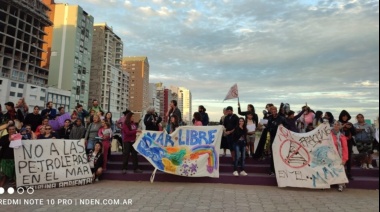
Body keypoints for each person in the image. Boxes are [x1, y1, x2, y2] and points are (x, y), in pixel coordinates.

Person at [267, 106, 288, 175]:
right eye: (271, 110)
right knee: (273, 154)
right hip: (273, 138)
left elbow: (287, 126)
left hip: (281, 139)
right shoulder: (269, 118)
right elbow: (268, 128)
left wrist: (283, 126)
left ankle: (281, 169)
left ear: (276, 110)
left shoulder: (282, 118)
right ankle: (272, 170)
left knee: (281, 154)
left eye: (274, 110)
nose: (273, 111)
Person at [331, 121, 349, 192]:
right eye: (334, 124)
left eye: (338, 125)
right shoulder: (328, 135)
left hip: (339, 155)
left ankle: (340, 184)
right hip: (330, 155)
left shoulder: (342, 136)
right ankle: (327, 183)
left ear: (340, 126)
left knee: (340, 170)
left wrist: (345, 159)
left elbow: (345, 148)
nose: (336, 126)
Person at [338, 110, 356, 180]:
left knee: (348, 158)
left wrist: (350, 128)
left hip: (348, 142)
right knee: (340, 158)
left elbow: (354, 133)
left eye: (346, 116)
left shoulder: (350, 124)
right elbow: (334, 131)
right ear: (341, 116)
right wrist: (342, 127)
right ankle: (341, 173)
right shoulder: (338, 123)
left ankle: (349, 173)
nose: (345, 118)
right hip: (339, 143)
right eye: (343, 116)